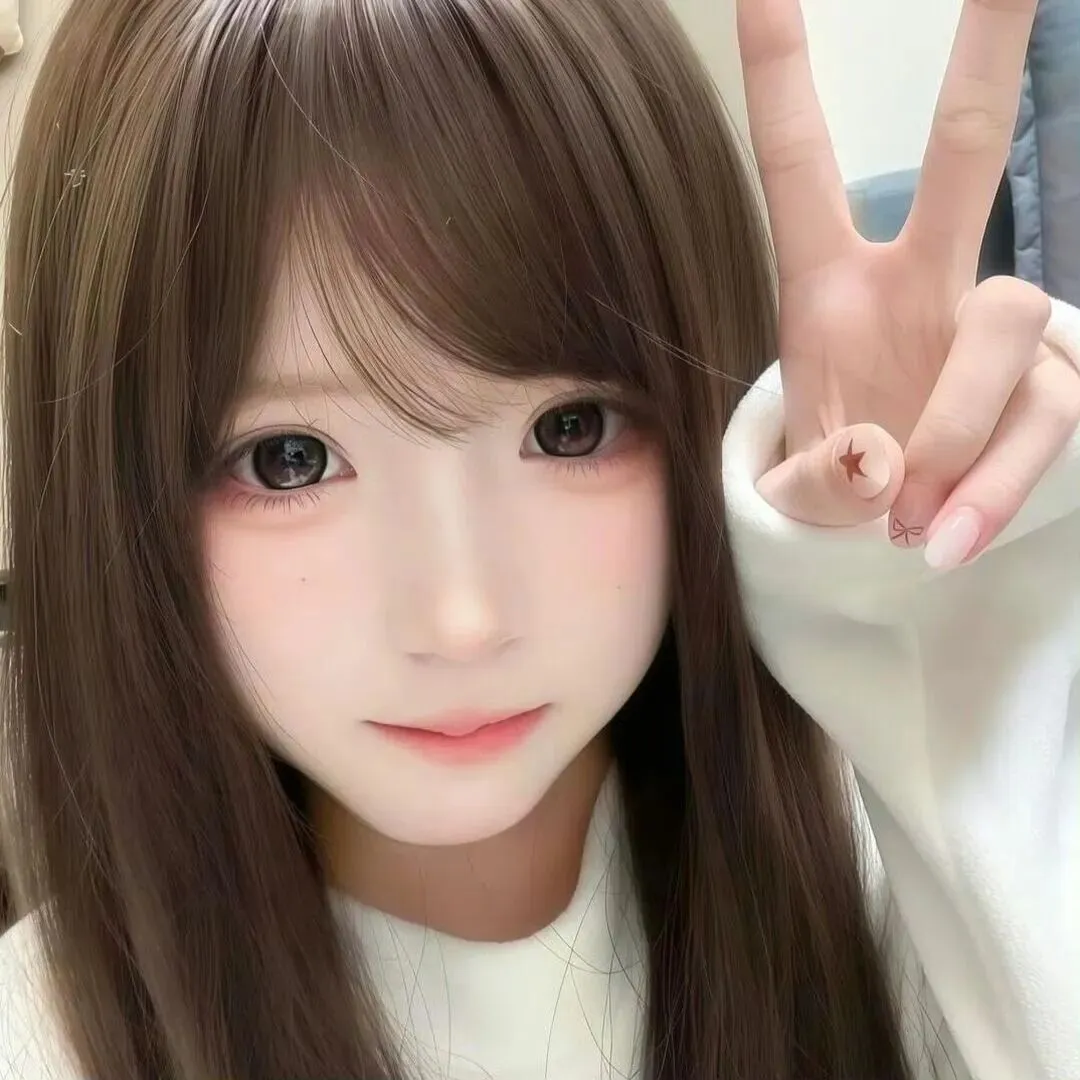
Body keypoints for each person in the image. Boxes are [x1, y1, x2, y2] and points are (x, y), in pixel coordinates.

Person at [0, 0, 1076, 1077]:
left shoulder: (894, 874)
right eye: (291, 459)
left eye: (570, 429)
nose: (461, 622)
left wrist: (980, 633)